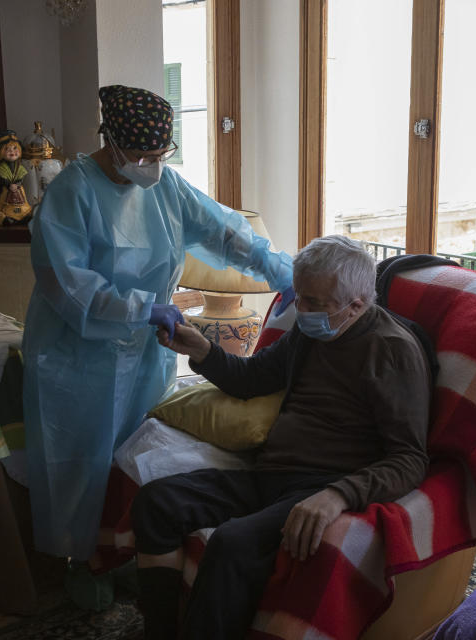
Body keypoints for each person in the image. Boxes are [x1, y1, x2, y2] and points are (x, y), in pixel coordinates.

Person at [21, 84, 295, 561]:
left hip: (145, 356)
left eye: (159, 154)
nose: (151, 165)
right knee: (78, 466)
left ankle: (125, 551)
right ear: (112, 143)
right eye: (142, 155)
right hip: (76, 359)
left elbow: (224, 231)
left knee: (136, 457)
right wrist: (141, 308)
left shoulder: (165, 186)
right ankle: (74, 564)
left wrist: (283, 272)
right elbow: (67, 284)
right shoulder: (72, 192)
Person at [131, 235, 432, 640]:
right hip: (269, 474)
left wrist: (338, 495)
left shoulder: (392, 351)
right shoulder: (312, 332)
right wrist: (202, 351)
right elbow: (251, 379)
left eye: (313, 302)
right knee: (156, 503)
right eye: (299, 296)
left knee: (232, 543)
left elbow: (409, 458)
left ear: (357, 305)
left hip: (317, 486)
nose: (299, 309)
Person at [0, 129, 32, 225]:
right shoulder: (2, 168)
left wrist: (17, 184)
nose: (12, 151)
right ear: (1, 152)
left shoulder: (20, 167)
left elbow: (21, 177)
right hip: (7, 191)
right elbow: (1, 179)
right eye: (7, 149)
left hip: (18, 190)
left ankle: (23, 216)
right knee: (6, 206)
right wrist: (9, 185)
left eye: (14, 148)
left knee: (23, 206)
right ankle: (8, 218)